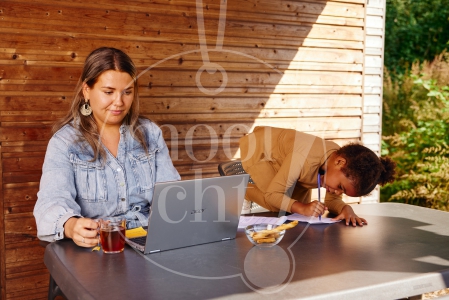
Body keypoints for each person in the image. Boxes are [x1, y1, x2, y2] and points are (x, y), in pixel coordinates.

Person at [34, 47, 180, 247]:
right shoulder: (65, 142)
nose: (119, 102)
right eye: (108, 92)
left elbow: (170, 193)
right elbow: (50, 203)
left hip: (149, 240)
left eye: (127, 92)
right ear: (87, 90)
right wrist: (71, 225)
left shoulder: (150, 133)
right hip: (98, 245)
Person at [239, 126, 396, 226]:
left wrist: (345, 208)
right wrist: (301, 207)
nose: (337, 192)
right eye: (341, 187)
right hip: (260, 150)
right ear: (340, 162)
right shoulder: (302, 159)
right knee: (276, 202)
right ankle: (244, 188)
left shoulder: (335, 162)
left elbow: (332, 200)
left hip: (290, 161)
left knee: (294, 209)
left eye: (343, 193)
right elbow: (274, 195)